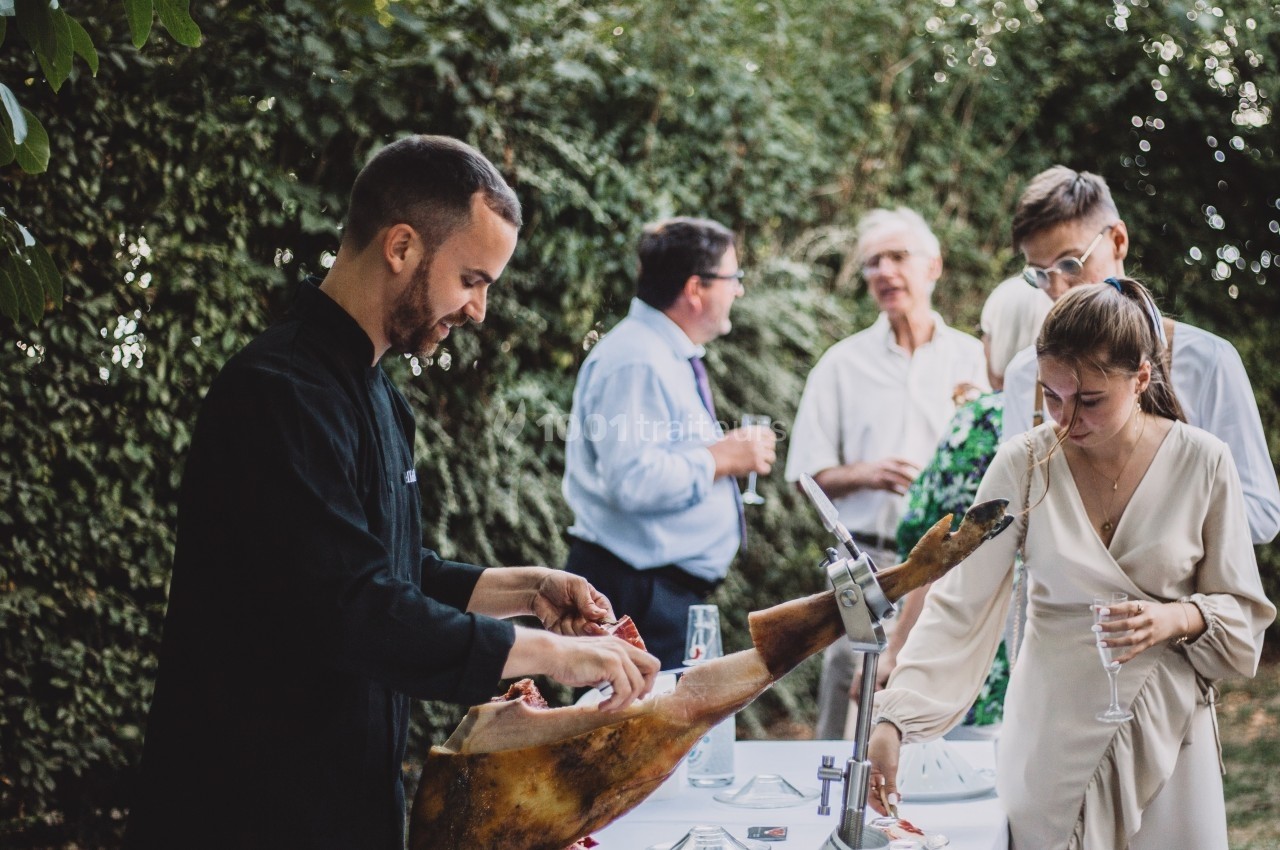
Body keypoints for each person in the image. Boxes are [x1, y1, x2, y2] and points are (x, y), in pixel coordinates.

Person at [124, 136, 660, 850]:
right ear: (402, 246)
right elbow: (352, 607)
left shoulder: (380, 395)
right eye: (473, 278)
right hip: (248, 808)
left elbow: (395, 568)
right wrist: (550, 655)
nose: (479, 310)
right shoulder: (279, 393)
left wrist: (527, 588)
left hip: (352, 799)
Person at [869, 278, 1276, 849]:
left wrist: (1177, 619)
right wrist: (895, 718)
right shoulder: (1023, 463)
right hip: (1048, 737)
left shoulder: (1204, 462)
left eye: (1088, 401)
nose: (1063, 419)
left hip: (1166, 734)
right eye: (1050, 395)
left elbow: (1241, 611)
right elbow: (961, 606)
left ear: (1140, 378)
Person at [785, 207, 987, 739]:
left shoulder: (974, 360)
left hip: (951, 569)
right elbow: (803, 475)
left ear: (933, 266)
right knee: (848, 712)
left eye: (898, 257)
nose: (884, 272)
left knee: (938, 712)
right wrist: (866, 473)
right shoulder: (841, 363)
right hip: (866, 571)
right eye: (872, 262)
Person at [1000, 165, 1280, 544]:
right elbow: (1012, 514)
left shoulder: (1208, 363)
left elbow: (1261, 513)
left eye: (1070, 264)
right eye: (1039, 274)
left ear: (1117, 240)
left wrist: (1145, 519)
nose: (1057, 287)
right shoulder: (1023, 374)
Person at [561, 217, 776, 670]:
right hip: (637, 594)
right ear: (696, 288)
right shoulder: (637, 360)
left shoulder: (659, 354)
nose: (738, 290)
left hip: (654, 592)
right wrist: (721, 458)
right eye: (733, 278)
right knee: (637, 737)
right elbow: (633, 481)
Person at [885, 275, 1050, 734]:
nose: (981, 343)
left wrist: (896, 654)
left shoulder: (978, 421)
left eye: (986, 331)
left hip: (967, 632)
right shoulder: (1066, 424)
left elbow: (933, 543)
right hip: (1041, 631)